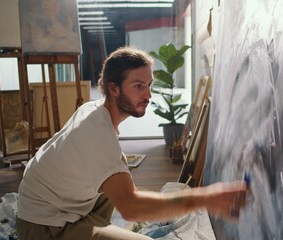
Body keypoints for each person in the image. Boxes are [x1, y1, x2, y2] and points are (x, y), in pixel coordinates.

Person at [16, 46, 247, 240]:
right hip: (43, 227)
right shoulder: (97, 133)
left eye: (149, 85)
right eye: (138, 86)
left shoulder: (95, 110)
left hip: (55, 203)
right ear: (113, 88)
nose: (148, 95)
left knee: (118, 172)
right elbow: (131, 208)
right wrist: (204, 198)